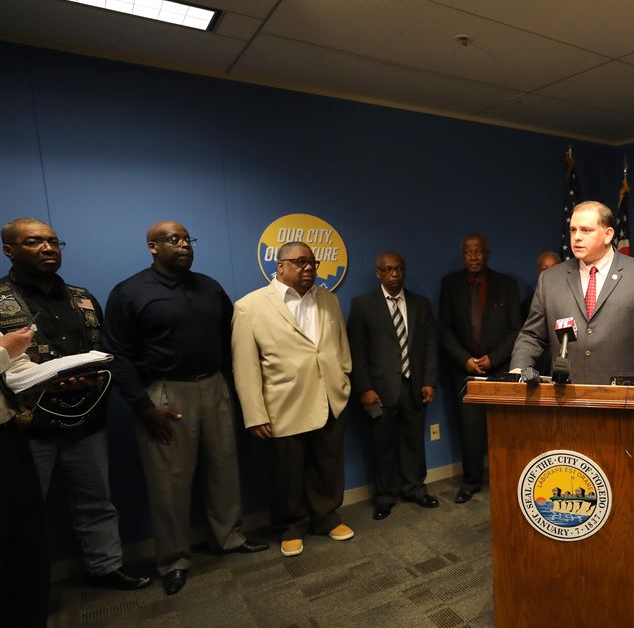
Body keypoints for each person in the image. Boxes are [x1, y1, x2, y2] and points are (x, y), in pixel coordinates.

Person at [102, 222, 267, 596]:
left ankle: (228, 537)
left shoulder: (209, 287)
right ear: (152, 247)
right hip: (165, 393)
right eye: (173, 240)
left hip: (214, 385)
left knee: (225, 468)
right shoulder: (130, 292)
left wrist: (230, 386)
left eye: (187, 239)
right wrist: (143, 406)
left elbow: (230, 339)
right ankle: (174, 560)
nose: (183, 245)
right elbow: (118, 355)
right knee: (169, 482)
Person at [0, 217, 150, 591]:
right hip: (26, 427)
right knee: (23, 513)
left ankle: (106, 567)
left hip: (86, 419)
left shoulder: (82, 298)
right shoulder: (1, 300)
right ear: (9, 251)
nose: (47, 248)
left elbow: (103, 351)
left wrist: (91, 376)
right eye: (34, 242)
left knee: (97, 501)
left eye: (53, 241)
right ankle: (27, 592)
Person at [231, 241, 355, 557]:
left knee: (328, 464)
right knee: (288, 471)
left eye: (312, 262)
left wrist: (343, 379)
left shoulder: (329, 300)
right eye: (300, 262)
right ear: (280, 266)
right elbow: (245, 366)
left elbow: (340, 345)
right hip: (284, 405)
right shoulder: (249, 307)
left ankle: (326, 517)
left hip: (330, 398)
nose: (308, 267)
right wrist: (255, 413)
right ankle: (291, 526)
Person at [1, 326, 91, 628]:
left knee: (22, 550)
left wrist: (47, 373)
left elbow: (14, 370)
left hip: (7, 431)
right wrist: (5, 350)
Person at [510, 201, 634, 396]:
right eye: (573, 230)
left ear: (608, 235)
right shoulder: (550, 279)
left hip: (625, 399)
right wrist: (519, 368)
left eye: (586, 230)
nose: (577, 237)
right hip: (565, 399)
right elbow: (532, 336)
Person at [347, 252, 439, 520]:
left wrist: (429, 381)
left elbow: (430, 345)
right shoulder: (363, 305)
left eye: (399, 269)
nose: (394, 274)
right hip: (379, 390)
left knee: (414, 442)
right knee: (382, 445)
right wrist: (365, 388)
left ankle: (415, 488)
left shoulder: (420, 304)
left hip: (414, 387)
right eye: (388, 270)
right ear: (378, 273)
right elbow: (357, 350)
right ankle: (385, 496)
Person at [438, 235, 521, 503]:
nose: (473, 257)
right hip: (465, 370)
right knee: (470, 430)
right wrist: (465, 360)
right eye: (468, 252)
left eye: (478, 252)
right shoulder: (450, 285)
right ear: (463, 255)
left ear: (487, 253)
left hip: (500, 369)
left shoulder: (507, 285)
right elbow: (445, 329)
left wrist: (493, 359)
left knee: (504, 428)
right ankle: (471, 481)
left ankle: (506, 476)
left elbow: (515, 329)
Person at [521, 250, 560, 375]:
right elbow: (529, 336)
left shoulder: (573, 295)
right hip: (540, 362)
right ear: (539, 272)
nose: (550, 272)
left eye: (553, 267)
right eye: (545, 269)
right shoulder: (529, 302)